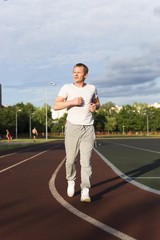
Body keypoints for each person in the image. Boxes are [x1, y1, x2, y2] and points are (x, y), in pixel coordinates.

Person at [53, 63, 100, 202]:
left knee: (86, 162)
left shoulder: (92, 88)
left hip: (88, 128)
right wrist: (72, 102)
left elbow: (97, 103)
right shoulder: (66, 88)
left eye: (79, 72)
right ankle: (71, 180)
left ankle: (85, 190)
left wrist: (94, 107)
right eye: (74, 72)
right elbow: (56, 105)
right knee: (71, 160)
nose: (75, 74)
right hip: (72, 127)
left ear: (85, 75)